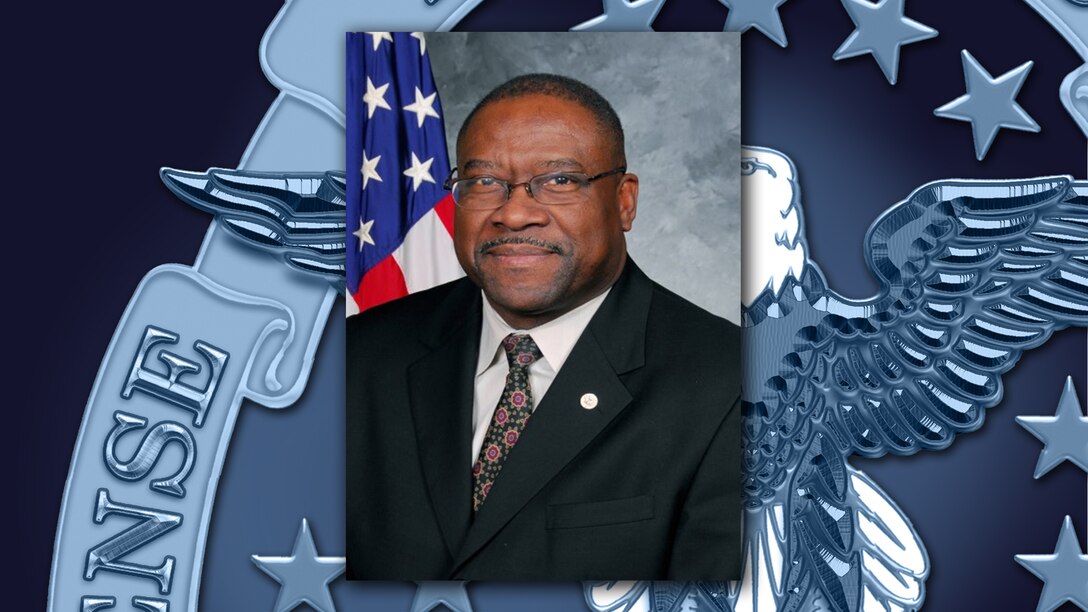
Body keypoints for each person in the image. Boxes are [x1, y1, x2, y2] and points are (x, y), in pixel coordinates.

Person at [346, 73, 741, 581]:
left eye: (559, 180)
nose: (512, 213)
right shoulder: (359, 354)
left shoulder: (733, 384)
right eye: (483, 182)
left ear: (624, 201)